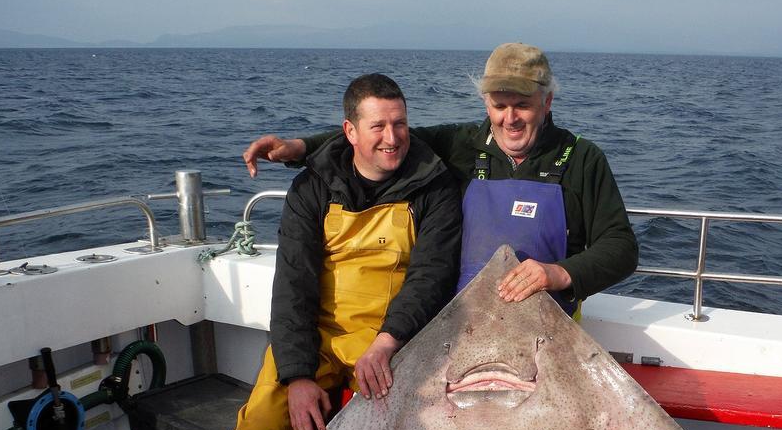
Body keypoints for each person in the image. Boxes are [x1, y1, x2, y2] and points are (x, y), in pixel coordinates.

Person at [243, 43, 638, 315]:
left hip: (547, 326)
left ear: (547, 102)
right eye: (499, 106)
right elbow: (384, 140)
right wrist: (299, 147)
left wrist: (558, 272)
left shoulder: (582, 158)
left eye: (523, 106)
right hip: (462, 319)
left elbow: (620, 247)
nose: (510, 118)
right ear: (486, 102)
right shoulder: (461, 143)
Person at [234, 73, 461, 430]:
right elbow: (292, 287)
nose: (392, 138)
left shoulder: (435, 186)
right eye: (378, 126)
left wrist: (388, 341)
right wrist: (299, 376)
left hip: (389, 339)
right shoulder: (312, 188)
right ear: (350, 132)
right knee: (262, 429)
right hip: (318, 337)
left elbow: (432, 276)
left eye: (400, 124)